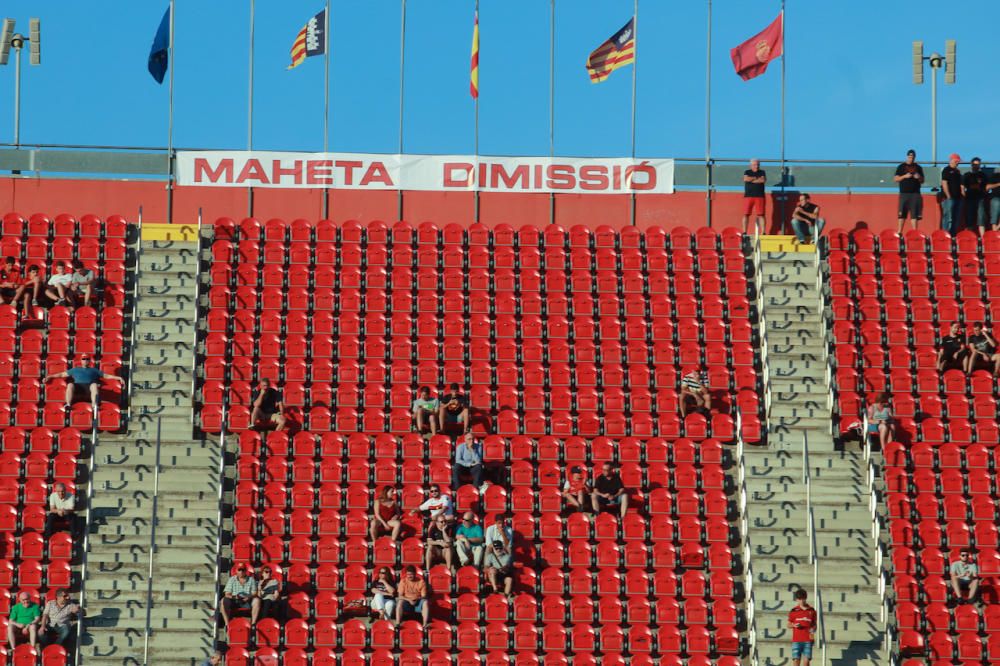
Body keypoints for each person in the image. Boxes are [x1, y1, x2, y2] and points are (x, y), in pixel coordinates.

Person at [43, 355, 124, 411]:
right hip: (78, 388)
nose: (85, 361)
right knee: (70, 384)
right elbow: (62, 374)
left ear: (89, 361)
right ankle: (68, 404)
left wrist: (118, 378)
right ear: (81, 361)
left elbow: (106, 376)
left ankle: (94, 405)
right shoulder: (75, 369)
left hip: (89, 388)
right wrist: (50, 376)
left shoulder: (94, 370)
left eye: (87, 359)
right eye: (83, 359)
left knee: (94, 385)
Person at [483, 514, 514, 598]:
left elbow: (508, 545)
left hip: (504, 551)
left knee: (509, 550)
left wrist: (503, 533)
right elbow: (489, 544)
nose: (501, 525)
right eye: (499, 523)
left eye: (502, 523)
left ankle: (505, 596)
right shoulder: (490, 529)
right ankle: (486, 566)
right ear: (495, 523)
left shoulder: (509, 530)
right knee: (487, 549)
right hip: (493, 550)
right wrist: (497, 547)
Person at [894, 149, 925, 233]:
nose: (911, 158)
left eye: (912, 157)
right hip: (904, 193)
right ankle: (899, 232)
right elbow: (896, 179)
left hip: (915, 194)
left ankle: (915, 232)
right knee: (902, 214)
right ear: (907, 156)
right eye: (910, 156)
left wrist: (918, 177)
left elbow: (922, 181)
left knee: (914, 215)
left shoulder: (918, 167)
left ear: (915, 157)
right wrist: (904, 176)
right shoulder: (901, 166)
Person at [787, 588, 817, 666]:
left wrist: (813, 629)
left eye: (803, 598)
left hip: (808, 639)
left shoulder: (812, 610)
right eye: (799, 599)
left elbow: (814, 624)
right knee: (796, 661)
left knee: (806, 662)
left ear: (805, 598)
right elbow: (788, 624)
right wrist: (794, 625)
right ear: (796, 599)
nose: (801, 601)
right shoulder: (793, 611)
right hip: (796, 640)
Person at [962, 157, 988, 235]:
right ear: (971, 165)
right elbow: (962, 187)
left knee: (981, 219)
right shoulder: (967, 175)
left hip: (980, 199)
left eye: (978, 164)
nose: (976, 166)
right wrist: (964, 197)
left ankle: (983, 238)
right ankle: (970, 237)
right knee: (969, 219)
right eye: (974, 164)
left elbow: (986, 187)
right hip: (969, 199)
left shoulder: (983, 175)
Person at [741, 159, 767, 235]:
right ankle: (744, 231)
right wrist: (756, 178)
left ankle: (763, 232)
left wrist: (751, 179)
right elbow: (746, 179)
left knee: (761, 214)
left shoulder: (762, 172)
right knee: (746, 214)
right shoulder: (747, 172)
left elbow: (762, 180)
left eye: (758, 164)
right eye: (755, 164)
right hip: (748, 196)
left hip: (760, 196)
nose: (757, 166)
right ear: (751, 165)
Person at [940, 153, 963, 235]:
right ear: (952, 160)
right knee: (947, 217)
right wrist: (948, 196)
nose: (958, 163)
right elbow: (944, 183)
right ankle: (945, 234)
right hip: (949, 198)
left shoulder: (958, 172)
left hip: (958, 198)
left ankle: (953, 234)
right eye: (957, 161)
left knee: (955, 218)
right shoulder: (946, 170)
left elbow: (961, 185)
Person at [987, 163, 1000, 230]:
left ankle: (997, 228)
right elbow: (987, 187)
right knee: (996, 202)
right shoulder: (995, 176)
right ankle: (995, 230)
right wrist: (998, 184)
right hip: (996, 197)